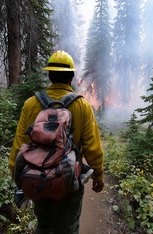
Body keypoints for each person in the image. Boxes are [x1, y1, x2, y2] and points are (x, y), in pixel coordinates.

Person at [8, 50, 104, 234]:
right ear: (71, 78)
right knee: (68, 228)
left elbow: (20, 144)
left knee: (44, 225)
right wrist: (98, 176)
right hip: (69, 179)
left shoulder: (31, 104)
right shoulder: (82, 105)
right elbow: (92, 147)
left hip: (38, 178)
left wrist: (18, 178)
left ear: (50, 76)